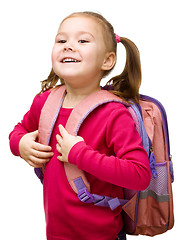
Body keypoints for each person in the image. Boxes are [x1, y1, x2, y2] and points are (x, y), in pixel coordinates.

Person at [9, 11, 151, 240]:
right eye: (61, 40)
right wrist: (20, 143)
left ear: (107, 60)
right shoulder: (45, 102)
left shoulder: (114, 113)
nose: (68, 46)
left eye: (82, 40)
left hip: (103, 235)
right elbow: (18, 131)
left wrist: (79, 154)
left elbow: (140, 174)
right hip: (56, 233)